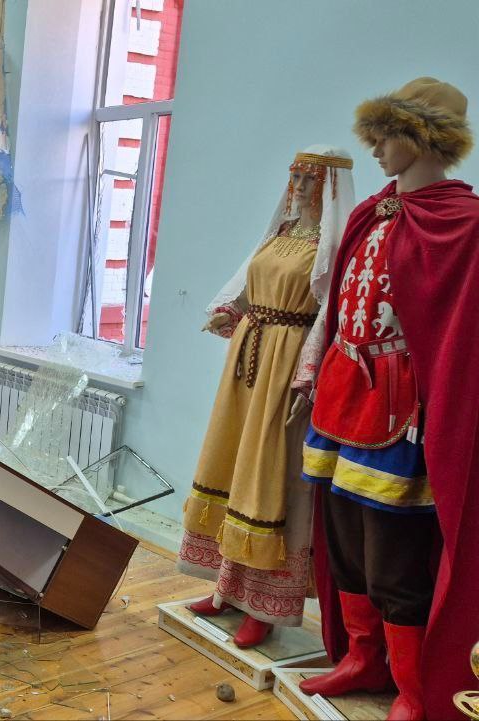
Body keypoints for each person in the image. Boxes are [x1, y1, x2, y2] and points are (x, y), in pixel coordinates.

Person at [301, 77, 478, 721]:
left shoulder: (464, 223)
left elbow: (460, 334)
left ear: (422, 138)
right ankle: (362, 659)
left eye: (385, 137)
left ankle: (412, 688)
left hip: (405, 417)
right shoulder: (371, 213)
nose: (375, 150)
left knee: (393, 561)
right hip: (342, 397)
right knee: (345, 545)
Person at [178, 145, 354, 648]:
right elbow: (249, 285)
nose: (298, 187)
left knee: (270, 479)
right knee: (232, 466)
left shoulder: (332, 246)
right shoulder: (281, 232)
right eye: (295, 177)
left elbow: (330, 315)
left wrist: (308, 374)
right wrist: (231, 312)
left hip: (286, 368)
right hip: (248, 362)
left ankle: (263, 605)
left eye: (310, 180)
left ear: (330, 187)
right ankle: (226, 589)